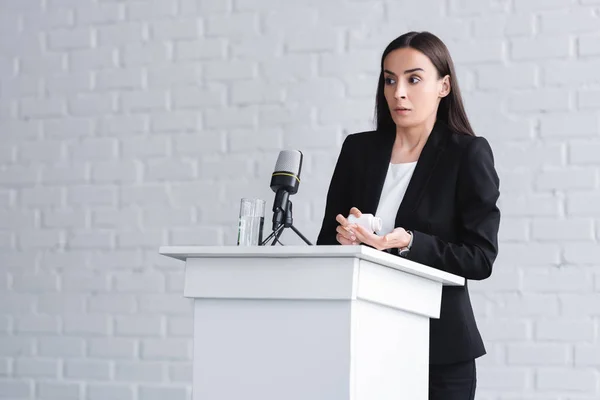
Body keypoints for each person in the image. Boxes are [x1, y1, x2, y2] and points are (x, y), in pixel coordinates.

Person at [316, 31, 501, 400]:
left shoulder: (467, 154)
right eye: (389, 79)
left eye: (413, 79)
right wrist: (346, 239)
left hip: (439, 353)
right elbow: (325, 242)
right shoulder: (358, 150)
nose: (398, 92)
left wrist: (410, 243)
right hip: (362, 343)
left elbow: (480, 259)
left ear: (443, 86)